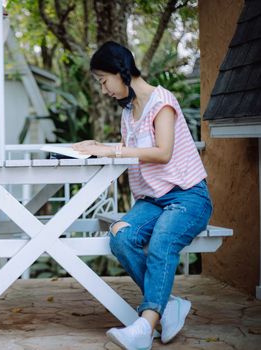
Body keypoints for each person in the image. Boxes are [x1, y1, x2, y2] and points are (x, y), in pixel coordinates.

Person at [72, 41, 212, 350]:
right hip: (152, 201)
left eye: (103, 80)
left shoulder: (161, 100)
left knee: (162, 239)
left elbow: (162, 153)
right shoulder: (127, 113)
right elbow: (129, 154)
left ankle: (145, 328)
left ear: (119, 71)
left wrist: (112, 149)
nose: (104, 89)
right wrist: (97, 147)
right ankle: (169, 303)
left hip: (188, 197)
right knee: (121, 237)